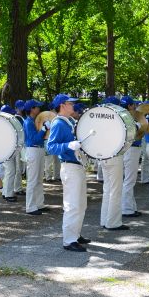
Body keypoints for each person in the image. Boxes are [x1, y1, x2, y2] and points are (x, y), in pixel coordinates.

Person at [46, 93, 92, 252]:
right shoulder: (58, 123)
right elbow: (50, 147)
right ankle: (69, 240)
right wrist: (68, 146)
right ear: (62, 105)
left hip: (76, 166)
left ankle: (76, 233)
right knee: (72, 205)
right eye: (70, 103)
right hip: (70, 167)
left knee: (81, 204)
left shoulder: (69, 121)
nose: (73, 105)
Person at [98, 96, 129, 230]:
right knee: (116, 190)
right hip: (114, 155)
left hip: (103, 155)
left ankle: (104, 220)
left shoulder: (98, 120)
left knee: (107, 189)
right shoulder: (116, 119)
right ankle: (113, 223)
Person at [22, 99, 47, 215]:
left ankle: (39, 204)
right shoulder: (28, 122)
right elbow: (34, 139)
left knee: (38, 179)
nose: (39, 109)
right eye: (37, 107)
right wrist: (44, 129)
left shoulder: (34, 121)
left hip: (38, 149)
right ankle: (30, 207)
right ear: (32, 109)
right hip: (33, 149)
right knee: (32, 180)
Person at [120, 96, 144, 217]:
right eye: (133, 104)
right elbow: (132, 130)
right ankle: (126, 209)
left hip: (130, 149)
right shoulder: (126, 116)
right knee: (129, 180)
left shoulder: (124, 115)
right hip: (131, 148)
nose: (135, 106)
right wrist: (142, 123)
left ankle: (131, 207)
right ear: (129, 105)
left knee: (130, 179)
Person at [0, 104, 19, 203]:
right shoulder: (2, 123)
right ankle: (8, 194)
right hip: (5, 151)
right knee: (11, 171)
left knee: (9, 171)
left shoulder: (1, 122)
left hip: (5, 150)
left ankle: (5, 192)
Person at [13, 100, 26, 196]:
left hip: (23, 145)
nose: (21, 109)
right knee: (17, 168)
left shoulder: (23, 117)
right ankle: (17, 188)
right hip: (17, 145)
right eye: (19, 108)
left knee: (21, 167)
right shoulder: (15, 118)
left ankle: (19, 187)